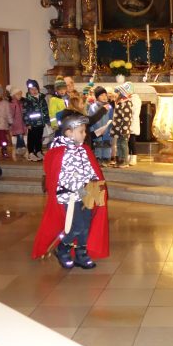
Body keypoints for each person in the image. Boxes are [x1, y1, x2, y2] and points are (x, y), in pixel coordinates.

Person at [31, 113, 109, 269]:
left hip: (86, 193)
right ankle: (63, 248)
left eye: (84, 131)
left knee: (86, 224)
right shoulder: (59, 152)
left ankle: (81, 253)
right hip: (68, 196)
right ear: (69, 132)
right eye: (81, 131)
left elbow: (91, 170)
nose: (84, 134)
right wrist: (74, 189)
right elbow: (56, 175)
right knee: (77, 226)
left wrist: (96, 184)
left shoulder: (83, 150)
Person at [22, 79, 49, 161]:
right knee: (31, 138)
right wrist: (28, 123)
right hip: (32, 124)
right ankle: (31, 153)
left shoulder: (42, 99)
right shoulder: (28, 100)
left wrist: (47, 120)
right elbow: (25, 113)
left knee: (39, 138)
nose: (33, 91)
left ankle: (38, 151)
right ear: (29, 90)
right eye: (31, 89)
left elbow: (45, 110)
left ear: (38, 89)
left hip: (41, 123)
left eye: (35, 89)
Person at [89, 86, 113, 162]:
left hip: (107, 130)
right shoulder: (93, 107)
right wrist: (92, 131)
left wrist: (110, 128)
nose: (104, 97)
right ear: (97, 97)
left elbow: (111, 118)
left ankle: (106, 158)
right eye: (101, 95)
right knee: (98, 144)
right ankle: (98, 158)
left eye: (105, 95)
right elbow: (91, 118)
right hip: (97, 130)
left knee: (106, 144)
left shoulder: (109, 107)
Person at [111, 86, 133, 167]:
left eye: (117, 93)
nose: (115, 95)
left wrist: (124, 130)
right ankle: (120, 160)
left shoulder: (126, 103)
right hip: (118, 128)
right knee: (119, 144)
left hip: (123, 129)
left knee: (123, 144)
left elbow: (126, 118)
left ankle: (125, 161)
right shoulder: (120, 102)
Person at [7, 85, 27, 161]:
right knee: (20, 136)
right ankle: (20, 149)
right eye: (18, 94)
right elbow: (10, 114)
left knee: (20, 136)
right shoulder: (12, 104)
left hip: (21, 123)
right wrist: (10, 124)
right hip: (16, 123)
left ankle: (21, 149)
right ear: (13, 95)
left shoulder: (20, 103)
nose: (20, 96)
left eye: (20, 94)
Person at [125, 81, 142, 166]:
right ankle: (128, 156)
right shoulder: (128, 98)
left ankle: (133, 157)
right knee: (127, 141)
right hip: (126, 122)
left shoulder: (135, 98)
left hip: (132, 122)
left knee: (132, 140)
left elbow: (134, 110)